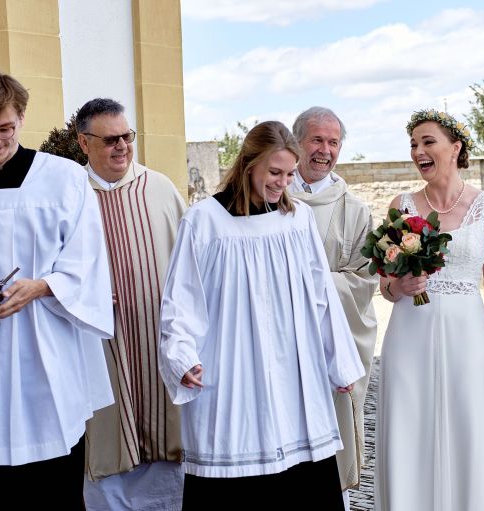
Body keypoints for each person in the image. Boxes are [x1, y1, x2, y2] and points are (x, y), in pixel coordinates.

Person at [158, 120, 365, 510]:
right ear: (249, 164)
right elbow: (181, 298)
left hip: (294, 374)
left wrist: (339, 362)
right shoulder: (205, 220)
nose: (283, 183)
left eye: (289, 174)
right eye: (274, 172)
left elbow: (321, 294)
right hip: (230, 370)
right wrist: (181, 357)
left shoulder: (297, 219)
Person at [0, 70, 114, 506]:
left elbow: (87, 260)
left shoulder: (64, 179)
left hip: (44, 351)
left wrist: (40, 286)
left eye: (4, 128)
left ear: (21, 116)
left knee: (47, 479)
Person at [374, 109, 484, 511]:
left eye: (428, 142)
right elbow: (385, 285)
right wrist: (399, 286)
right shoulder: (401, 205)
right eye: (413, 144)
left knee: (467, 427)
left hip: (466, 336)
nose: (418, 151)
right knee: (409, 429)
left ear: (456, 147)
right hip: (409, 334)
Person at [75, 98, 187, 510]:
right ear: (84, 143)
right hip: (97, 342)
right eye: (110, 140)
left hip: (158, 337)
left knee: (167, 434)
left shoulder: (160, 188)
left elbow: (190, 267)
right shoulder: (70, 194)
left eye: (127, 136)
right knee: (106, 433)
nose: (122, 146)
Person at [288, 106, 377, 508]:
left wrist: (310, 288)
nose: (325, 150)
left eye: (333, 142)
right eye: (316, 140)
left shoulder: (354, 210)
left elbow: (363, 280)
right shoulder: (269, 197)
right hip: (280, 341)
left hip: (329, 342)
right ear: (296, 143)